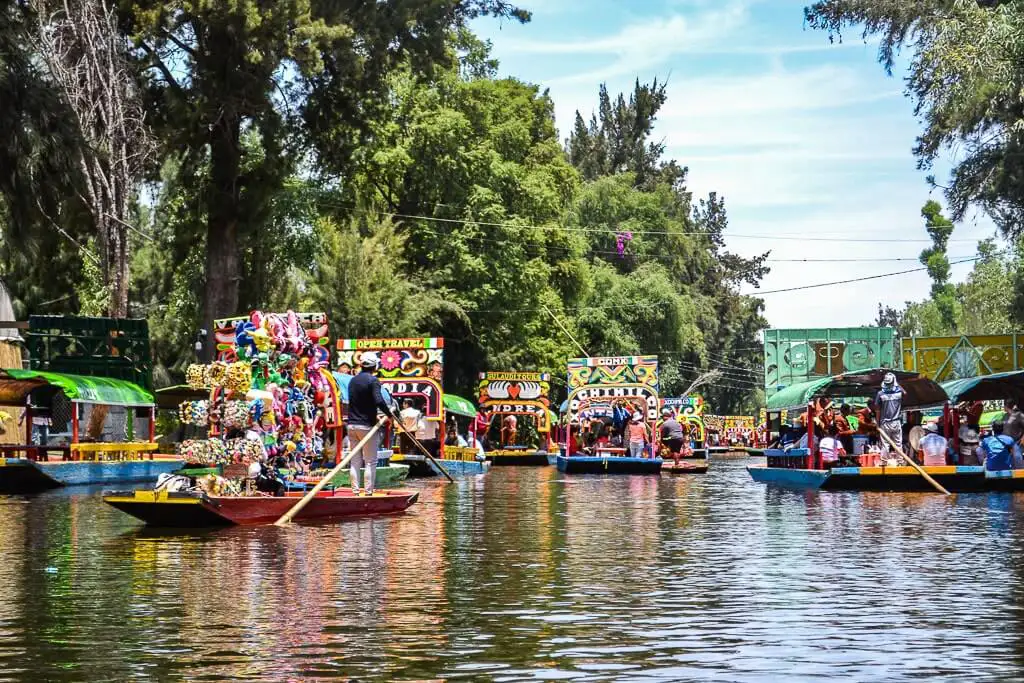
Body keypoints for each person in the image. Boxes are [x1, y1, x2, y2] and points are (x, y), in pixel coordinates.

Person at [347, 352, 396, 495]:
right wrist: (389, 415)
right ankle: (368, 492)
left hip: (351, 426)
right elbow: (379, 400)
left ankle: (355, 491)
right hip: (367, 426)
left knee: (355, 461)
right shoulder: (373, 381)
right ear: (375, 366)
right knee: (370, 461)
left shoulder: (353, 381)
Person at [874, 372, 905, 461]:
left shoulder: (880, 394)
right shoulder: (899, 393)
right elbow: (905, 393)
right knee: (898, 443)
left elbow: (878, 410)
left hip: (885, 423)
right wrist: (897, 383)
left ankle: (884, 460)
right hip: (896, 422)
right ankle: (900, 460)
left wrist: (877, 423)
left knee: (885, 443)